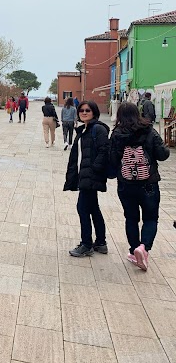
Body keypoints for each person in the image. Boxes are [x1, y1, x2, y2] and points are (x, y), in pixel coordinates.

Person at [110, 102, 169, 271]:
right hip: (148, 184)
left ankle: (133, 250)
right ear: (138, 113)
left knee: (131, 218)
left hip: (126, 184)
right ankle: (143, 248)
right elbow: (163, 155)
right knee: (150, 218)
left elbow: (113, 160)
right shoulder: (149, 130)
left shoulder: (117, 134)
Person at [64, 100, 110, 257]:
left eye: (87, 110)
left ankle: (86, 244)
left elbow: (105, 151)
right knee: (93, 208)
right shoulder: (85, 129)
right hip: (85, 174)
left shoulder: (97, 129)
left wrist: (94, 168)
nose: (84, 112)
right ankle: (101, 242)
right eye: (81, 110)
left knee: (82, 208)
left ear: (94, 112)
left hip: (91, 176)